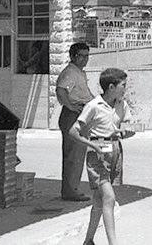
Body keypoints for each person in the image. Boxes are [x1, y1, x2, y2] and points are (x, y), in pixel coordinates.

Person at [68, 68, 135, 245]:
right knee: (109, 198)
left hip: (115, 151)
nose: (125, 89)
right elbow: (73, 132)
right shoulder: (93, 106)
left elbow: (126, 124)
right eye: (123, 85)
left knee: (99, 200)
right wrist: (92, 145)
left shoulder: (122, 104)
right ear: (111, 87)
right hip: (97, 153)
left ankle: (88, 240)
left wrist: (127, 132)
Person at [56, 42, 94, 201]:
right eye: (81, 56)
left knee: (77, 153)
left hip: (80, 112)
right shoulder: (71, 72)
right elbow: (60, 90)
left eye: (87, 56)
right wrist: (70, 106)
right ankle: (71, 191)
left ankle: (72, 189)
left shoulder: (79, 72)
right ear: (73, 57)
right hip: (73, 114)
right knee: (74, 154)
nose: (84, 59)